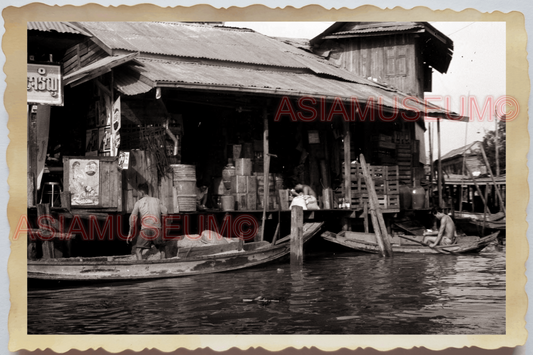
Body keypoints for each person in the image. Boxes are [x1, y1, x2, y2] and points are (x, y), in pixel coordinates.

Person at [127, 183, 168, 260]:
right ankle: (163, 264)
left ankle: (141, 266)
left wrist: (130, 232)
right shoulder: (157, 200)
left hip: (145, 229)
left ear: (141, 192)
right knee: (162, 249)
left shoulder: (139, 203)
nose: (138, 194)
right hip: (157, 229)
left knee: (138, 250)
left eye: (138, 192)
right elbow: (165, 212)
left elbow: (133, 218)